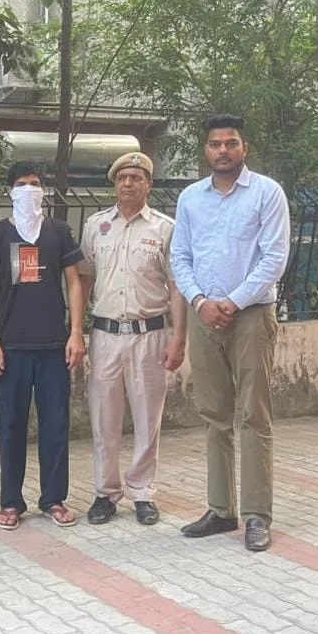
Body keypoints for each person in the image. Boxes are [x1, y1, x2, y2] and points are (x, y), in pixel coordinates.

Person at [170, 114, 290, 552]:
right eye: (216, 144)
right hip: (204, 316)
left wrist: (233, 302)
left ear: (244, 148)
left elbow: (274, 258)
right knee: (214, 414)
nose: (223, 150)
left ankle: (257, 515)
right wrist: (200, 301)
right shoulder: (190, 198)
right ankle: (221, 510)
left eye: (231, 143)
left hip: (251, 315)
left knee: (253, 414)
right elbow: (180, 257)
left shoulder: (267, 193)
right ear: (206, 150)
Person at [78, 152, 187, 527]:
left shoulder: (165, 229)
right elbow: (84, 279)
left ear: (149, 185)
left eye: (136, 178)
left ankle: (142, 492)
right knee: (103, 419)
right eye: (122, 178)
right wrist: (75, 330)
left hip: (150, 335)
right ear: (114, 184)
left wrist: (178, 337)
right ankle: (105, 492)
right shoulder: (96, 226)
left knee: (147, 419)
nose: (128, 183)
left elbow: (177, 286)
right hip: (105, 335)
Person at [0, 161, 86, 531]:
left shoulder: (59, 231)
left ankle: (53, 499)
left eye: (35, 183)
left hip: (54, 345)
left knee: (56, 425)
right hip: (12, 346)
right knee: (11, 427)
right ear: (11, 191)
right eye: (22, 184)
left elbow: (74, 282)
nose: (29, 189)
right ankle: (11, 502)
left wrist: (76, 332)